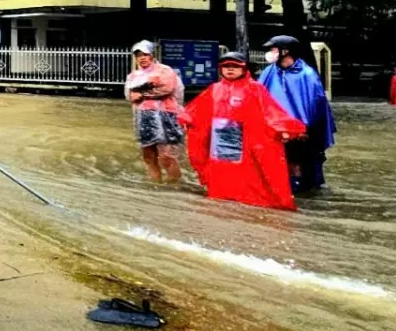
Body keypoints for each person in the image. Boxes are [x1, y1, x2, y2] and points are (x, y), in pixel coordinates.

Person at [182, 52, 306, 210]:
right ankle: (224, 201)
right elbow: (198, 111)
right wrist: (186, 119)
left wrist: (289, 128)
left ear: (244, 68)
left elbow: (271, 112)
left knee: (249, 174)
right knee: (223, 173)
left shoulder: (255, 89)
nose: (230, 69)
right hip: (221, 140)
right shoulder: (215, 89)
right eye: (226, 66)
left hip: (247, 141)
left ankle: (253, 203)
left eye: (235, 66)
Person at [257, 36, 336, 192]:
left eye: (273, 49)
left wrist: (303, 128)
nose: (270, 53)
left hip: (300, 130)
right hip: (274, 129)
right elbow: (258, 96)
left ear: (285, 51)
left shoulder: (307, 75)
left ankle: (300, 190)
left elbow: (314, 104)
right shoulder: (269, 72)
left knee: (297, 163)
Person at [124, 41, 185, 183]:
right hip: (143, 116)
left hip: (166, 116)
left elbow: (167, 89)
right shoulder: (134, 76)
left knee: (166, 156)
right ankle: (155, 184)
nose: (142, 58)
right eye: (139, 55)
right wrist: (134, 95)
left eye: (145, 54)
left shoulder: (165, 70)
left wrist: (142, 94)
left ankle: (175, 186)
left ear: (152, 55)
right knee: (148, 155)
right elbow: (129, 95)